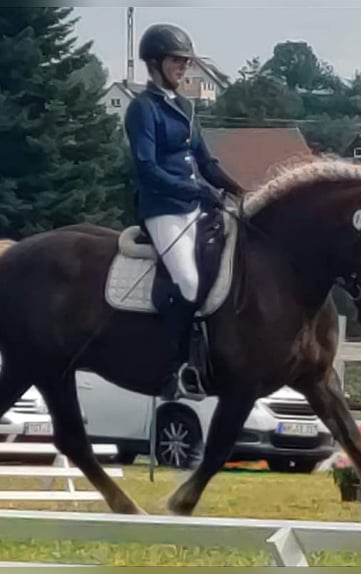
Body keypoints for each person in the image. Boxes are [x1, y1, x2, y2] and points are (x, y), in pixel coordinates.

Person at [124, 23, 244, 400]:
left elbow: (205, 161)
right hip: (163, 209)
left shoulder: (185, 106)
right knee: (190, 283)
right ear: (156, 64)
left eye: (186, 62)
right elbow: (147, 168)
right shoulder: (142, 109)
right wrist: (193, 190)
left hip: (196, 205)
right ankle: (172, 370)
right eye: (178, 62)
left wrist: (234, 187)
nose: (184, 69)